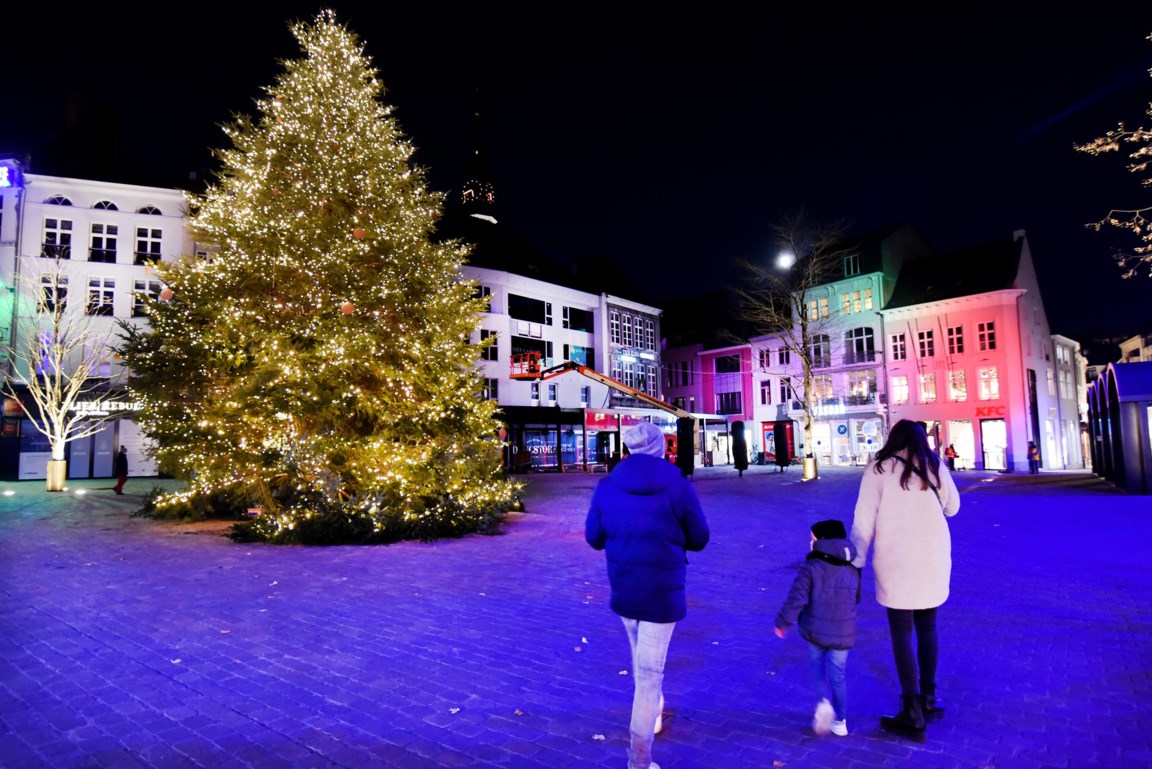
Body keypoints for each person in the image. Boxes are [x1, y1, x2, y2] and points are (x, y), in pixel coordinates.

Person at [585, 421, 710, 769]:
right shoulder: (678, 487)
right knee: (649, 674)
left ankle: (652, 714)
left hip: (625, 588)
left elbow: (594, 537)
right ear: (659, 448)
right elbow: (699, 538)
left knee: (644, 668)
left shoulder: (607, 486)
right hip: (662, 592)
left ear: (628, 449)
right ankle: (639, 760)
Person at [849, 419, 960, 741]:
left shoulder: (878, 469)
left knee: (901, 633)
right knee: (928, 627)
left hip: (895, 560)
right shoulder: (934, 464)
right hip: (932, 558)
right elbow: (953, 508)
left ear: (891, 438)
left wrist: (856, 562)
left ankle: (911, 709)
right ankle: (927, 699)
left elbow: (863, 520)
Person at [774, 519, 860, 738]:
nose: (810, 542)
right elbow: (855, 598)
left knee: (816, 668)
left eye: (813, 538)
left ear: (823, 541)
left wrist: (784, 622)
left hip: (816, 630)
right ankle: (840, 721)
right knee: (838, 677)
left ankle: (823, 703)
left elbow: (797, 597)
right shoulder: (852, 568)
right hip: (843, 633)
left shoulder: (811, 567)